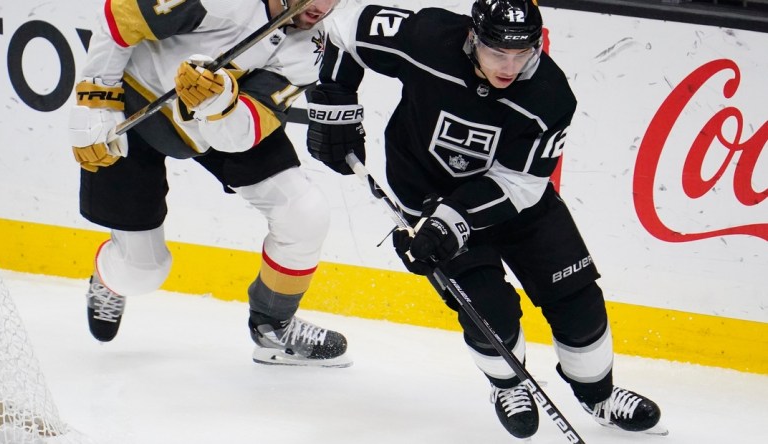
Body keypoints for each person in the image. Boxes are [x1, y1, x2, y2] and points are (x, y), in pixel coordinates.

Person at [307, 0, 666, 437]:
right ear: (473, 37)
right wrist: (335, 103)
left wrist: (452, 222)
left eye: (523, 53)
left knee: (578, 300)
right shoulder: (428, 38)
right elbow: (343, 29)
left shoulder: (550, 95)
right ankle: (507, 385)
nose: (510, 67)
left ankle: (599, 396)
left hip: (514, 203)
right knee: (488, 310)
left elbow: (522, 184)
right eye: (498, 52)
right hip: (426, 194)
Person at [68, 0, 351, 368]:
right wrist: (97, 101)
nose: (322, 5)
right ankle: (111, 277)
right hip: (133, 109)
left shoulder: (313, 47)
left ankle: (273, 327)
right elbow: (121, 17)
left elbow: (245, 130)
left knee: (304, 211)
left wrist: (219, 104)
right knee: (142, 272)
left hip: (217, 117)